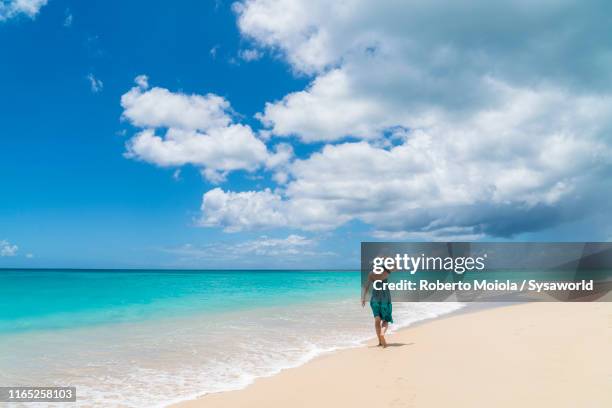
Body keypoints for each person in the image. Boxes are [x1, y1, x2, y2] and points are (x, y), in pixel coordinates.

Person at [361, 266, 393, 348]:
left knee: (377, 320)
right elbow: (395, 265)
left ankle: (380, 341)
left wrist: (363, 298)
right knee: (386, 319)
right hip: (385, 298)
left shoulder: (371, 274)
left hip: (375, 298)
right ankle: (382, 333)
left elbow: (367, 286)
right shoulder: (386, 272)